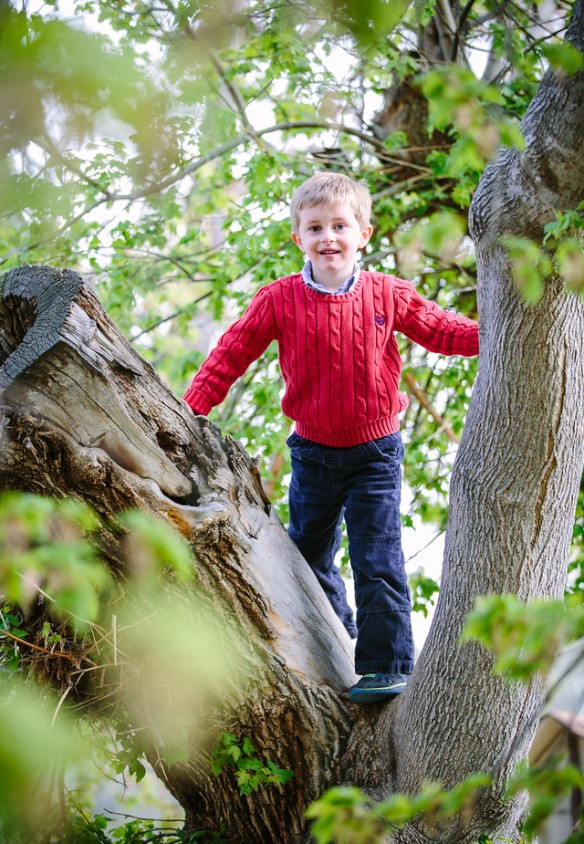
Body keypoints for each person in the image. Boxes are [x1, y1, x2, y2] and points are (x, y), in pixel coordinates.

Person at [183, 172, 479, 704]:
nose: (329, 238)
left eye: (340, 226)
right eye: (316, 227)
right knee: (306, 558)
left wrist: (494, 329)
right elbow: (230, 354)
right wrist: (189, 410)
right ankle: (337, 635)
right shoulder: (279, 299)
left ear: (363, 233)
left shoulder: (387, 294)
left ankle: (385, 666)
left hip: (375, 455)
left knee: (378, 559)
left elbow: (442, 330)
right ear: (299, 237)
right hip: (314, 454)